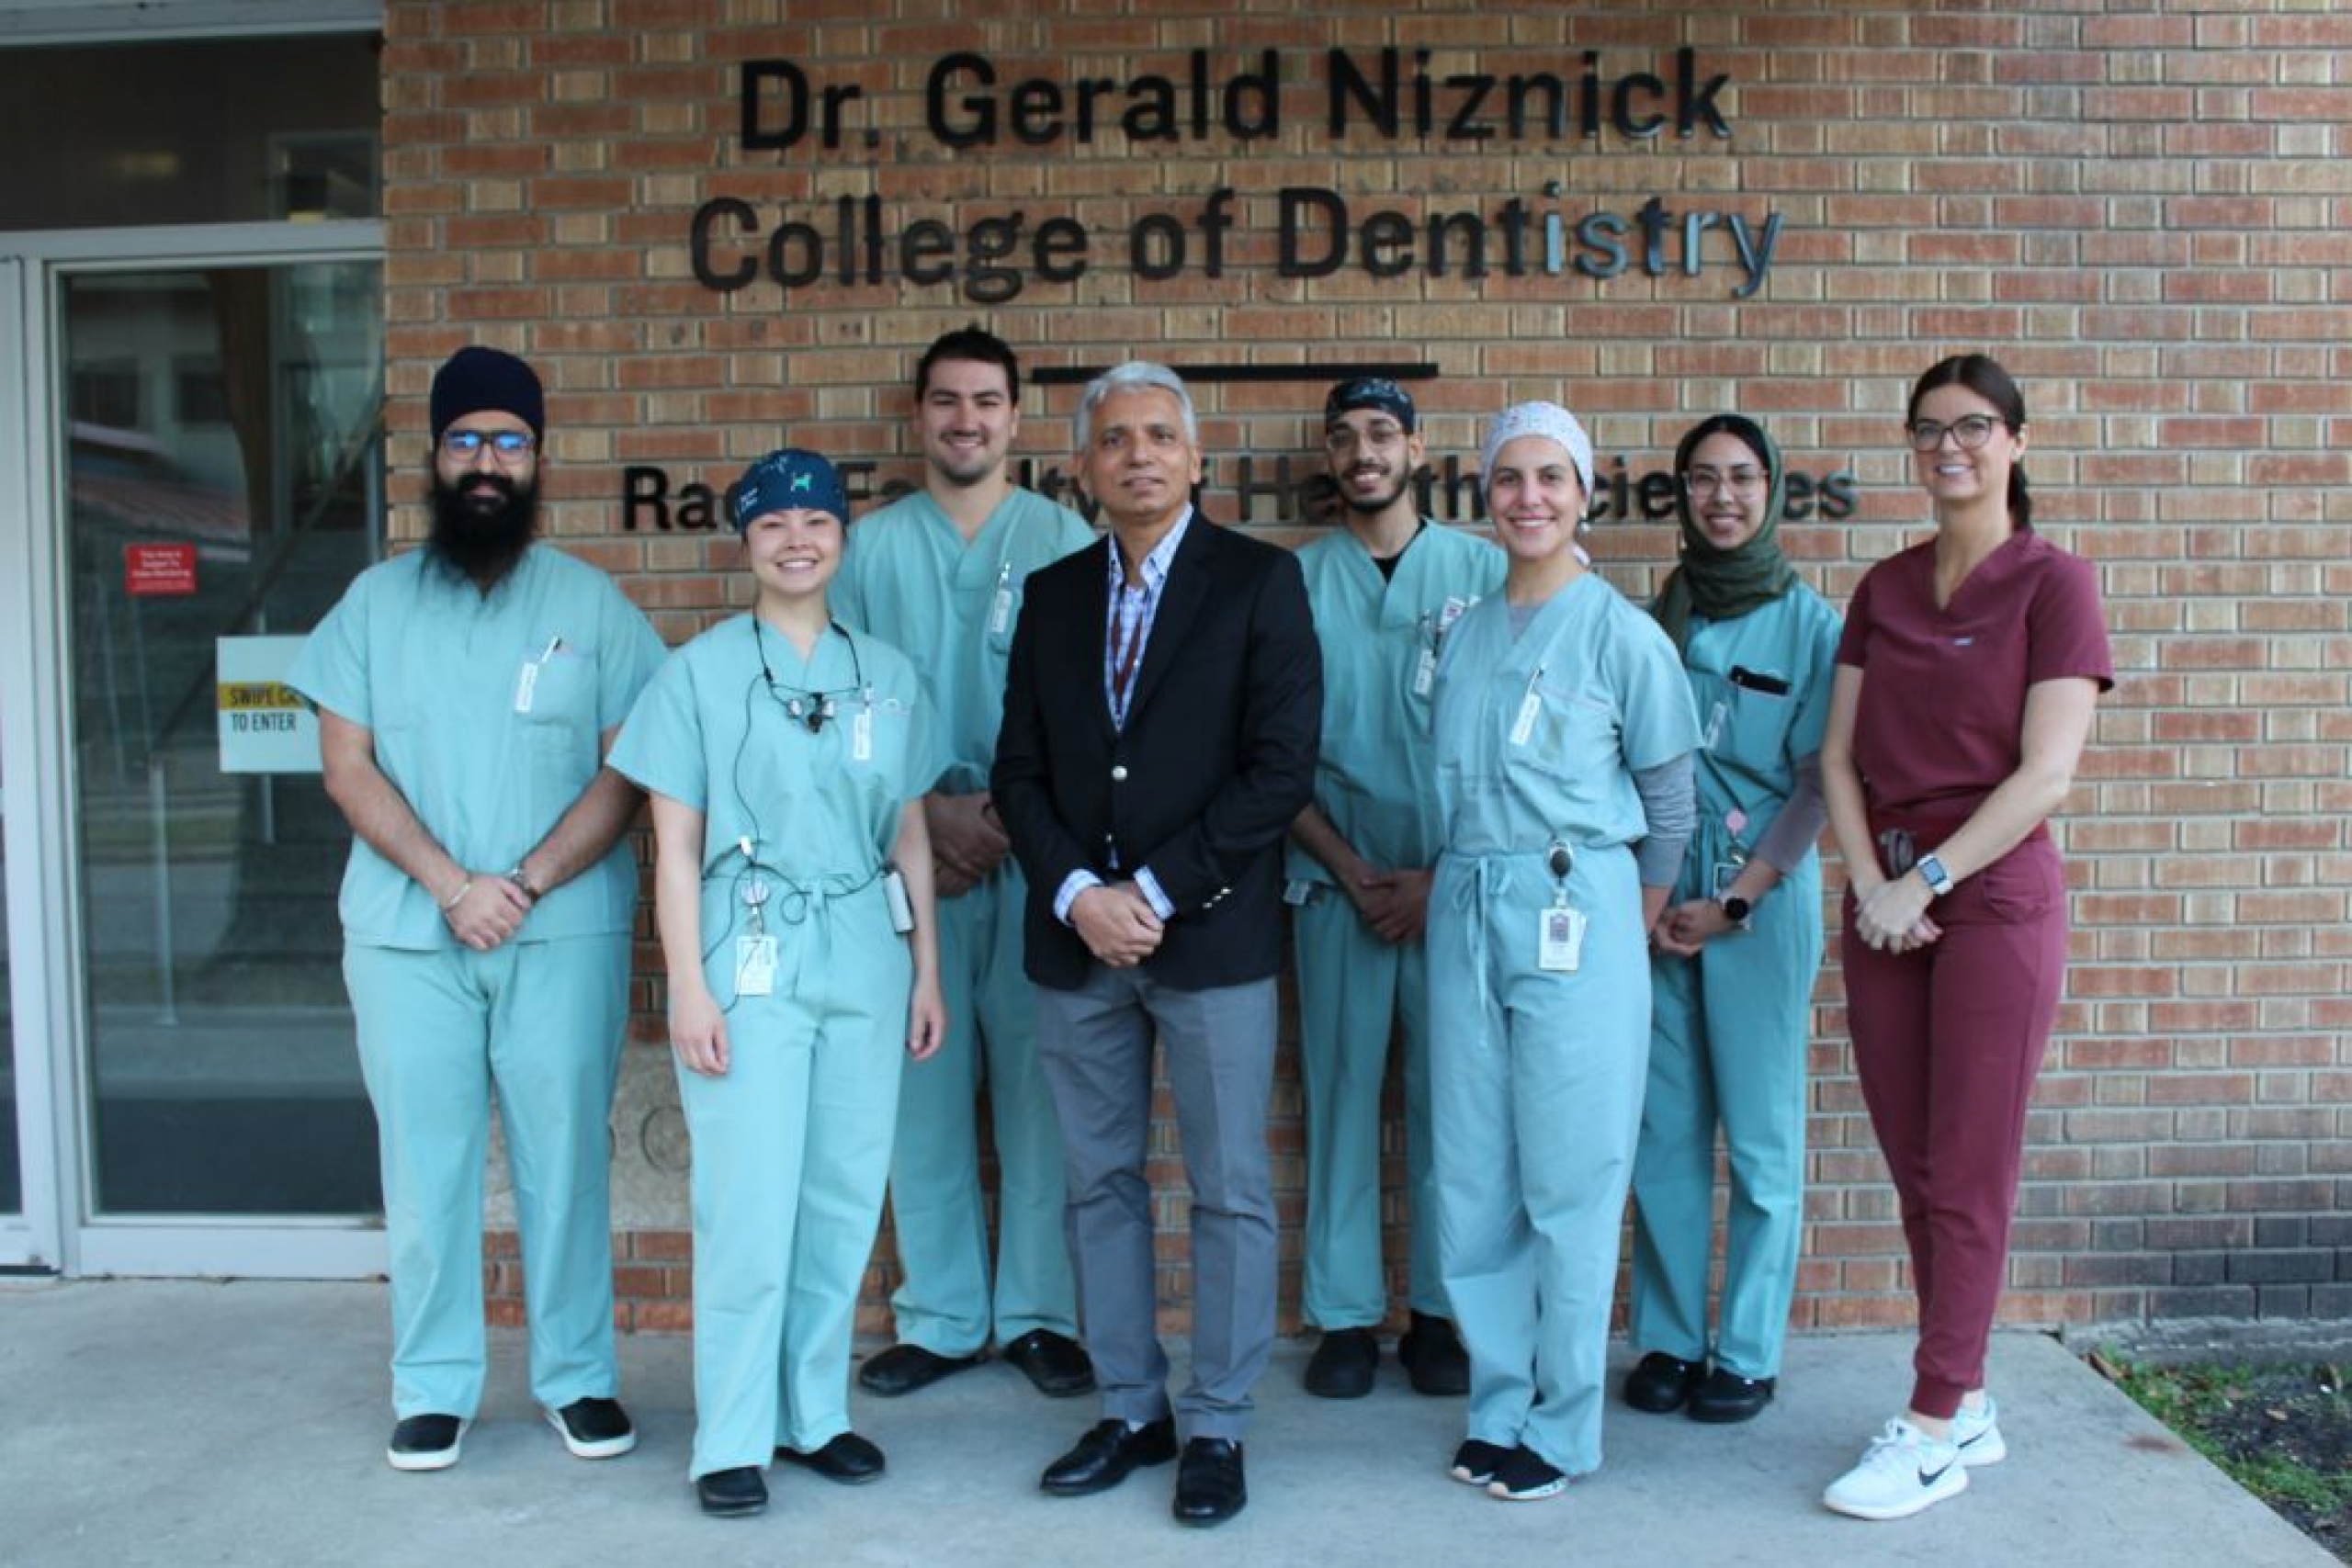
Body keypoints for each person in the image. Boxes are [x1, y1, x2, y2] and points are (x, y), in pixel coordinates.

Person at [289, 345, 665, 1472]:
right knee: (428, 1163)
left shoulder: (589, 604)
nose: (486, 461)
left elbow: (627, 768)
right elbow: (347, 768)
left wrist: (528, 881)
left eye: (508, 441)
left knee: (565, 1161)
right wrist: (454, 886)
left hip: (561, 928)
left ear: (540, 458)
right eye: (466, 441)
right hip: (410, 935)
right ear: (436, 458)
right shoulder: (372, 604)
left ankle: (577, 1379)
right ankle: (434, 1386)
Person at [992, 361, 1320, 1529]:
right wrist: (1081, 890)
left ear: (1195, 460)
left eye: (1160, 437)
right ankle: (1132, 1408)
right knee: (1099, 1185)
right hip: (1077, 942)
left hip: (1211, 940)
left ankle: (1217, 1423)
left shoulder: (1261, 583)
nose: (1138, 454)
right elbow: (1018, 771)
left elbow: (1279, 771)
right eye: (1115, 439)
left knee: (1229, 1190)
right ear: (1082, 467)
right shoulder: (1052, 593)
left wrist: (1157, 890)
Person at [609, 449, 947, 1518]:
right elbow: (669, 850)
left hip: (862, 947)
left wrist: (925, 973)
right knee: (747, 1203)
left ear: (842, 538)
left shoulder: (888, 676)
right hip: (746, 947)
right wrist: (687, 991)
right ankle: (731, 1434)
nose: (797, 540)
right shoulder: (698, 673)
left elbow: (910, 837)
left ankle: (814, 1414)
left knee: (843, 1193)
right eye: (773, 525)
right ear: (745, 542)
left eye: (817, 522)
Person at [1818, 355, 2110, 1521]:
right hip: (1885, 899)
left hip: (1992, 900)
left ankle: (1934, 1423)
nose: (1951, 446)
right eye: (1930, 429)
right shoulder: (1883, 588)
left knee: (1970, 1168)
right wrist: (1868, 883)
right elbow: (1836, 757)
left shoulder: (2055, 585)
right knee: (1917, 1165)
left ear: (2016, 442)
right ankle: (1969, 1394)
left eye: (1975, 427)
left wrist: (1928, 875)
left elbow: (2047, 772)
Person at [1426, 400, 1700, 1502]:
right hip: (1467, 901)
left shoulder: (1623, 635)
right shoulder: (1463, 630)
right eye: (1508, 479)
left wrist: (1626, 927)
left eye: (1551, 477)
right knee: (1474, 1171)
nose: (1528, 497)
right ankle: (1498, 1403)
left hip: (1578, 906)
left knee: (1572, 1177)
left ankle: (1563, 1422)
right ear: (1485, 497)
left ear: (1585, 493)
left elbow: (1670, 804)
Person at [834, 328, 1099, 1404]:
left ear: (1016, 418)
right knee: (922, 1092)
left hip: (1037, 861)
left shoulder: (1064, 538)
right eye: (945, 402)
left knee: (1043, 1093)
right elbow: (839, 708)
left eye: (985, 402)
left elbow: (1097, 711)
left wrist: (1002, 818)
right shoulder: (867, 550)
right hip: (908, 862)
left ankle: (1037, 1313)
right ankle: (941, 1316)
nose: (965, 421)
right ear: (918, 417)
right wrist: (925, 817)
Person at [1623, 413, 1842, 1425]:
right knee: (1664, 1134)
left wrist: (1734, 902)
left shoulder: (1810, 626)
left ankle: (1746, 1351)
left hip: (1753, 906)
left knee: (1759, 1142)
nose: (1722, 497)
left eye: (1742, 479)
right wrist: (1662, 901)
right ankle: (1668, 1339)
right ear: (1679, 495)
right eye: (1702, 479)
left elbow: (1813, 786)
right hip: (1666, 908)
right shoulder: (1659, 614)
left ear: (1772, 491)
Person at [1286, 377, 1501, 1399]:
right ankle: (1341, 1314)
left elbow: (1517, 745)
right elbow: (1266, 751)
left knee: (1449, 1104)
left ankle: (1440, 1312)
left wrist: (1439, 877)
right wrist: (1351, 867)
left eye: (1381, 434)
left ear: (1417, 450)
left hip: (1455, 886)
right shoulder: (1292, 583)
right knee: (1337, 1094)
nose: (1362, 451)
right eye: (1344, 438)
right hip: (1335, 882)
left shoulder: (1487, 572)